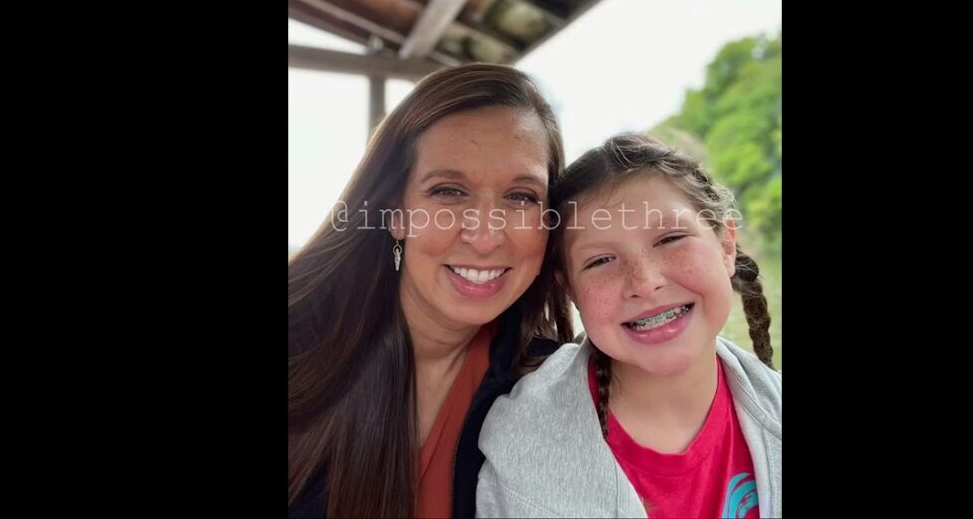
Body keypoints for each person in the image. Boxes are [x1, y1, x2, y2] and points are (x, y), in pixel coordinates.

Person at [289, 64, 575, 518]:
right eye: (448, 191)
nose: (485, 237)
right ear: (395, 213)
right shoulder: (299, 344)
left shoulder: (555, 385)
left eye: (521, 197)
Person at [477, 134, 781, 518]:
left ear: (726, 246)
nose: (645, 282)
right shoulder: (522, 449)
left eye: (670, 238)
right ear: (569, 287)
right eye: (601, 261)